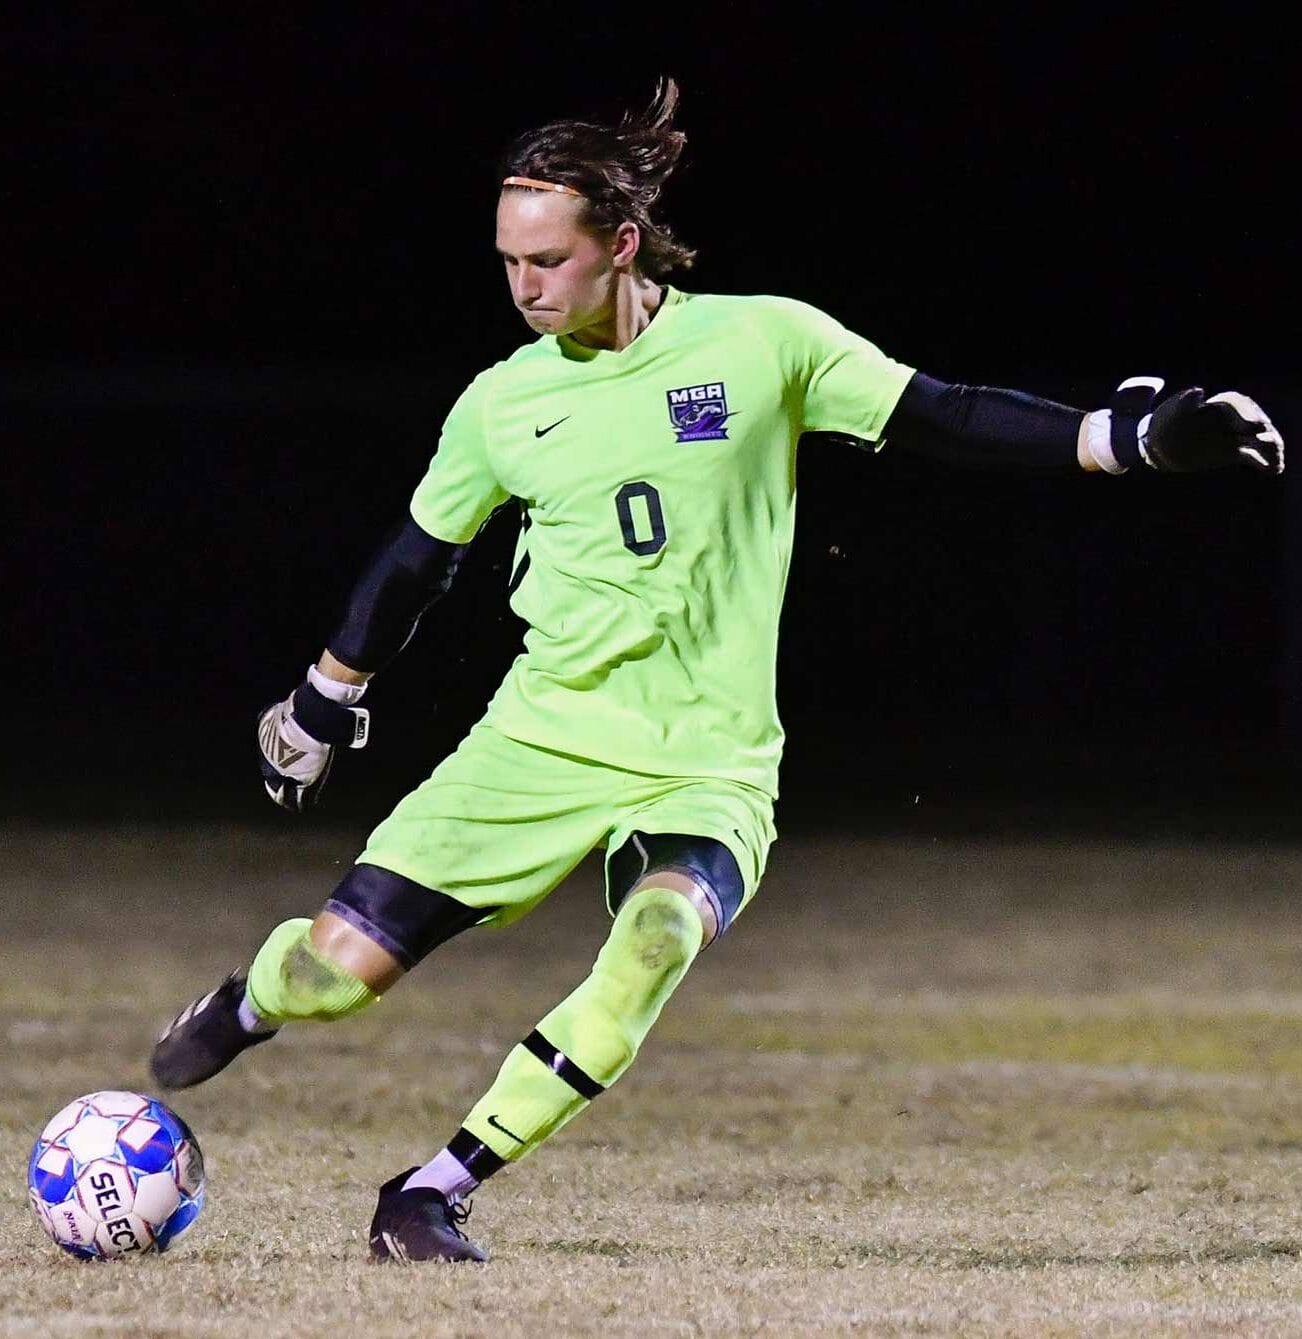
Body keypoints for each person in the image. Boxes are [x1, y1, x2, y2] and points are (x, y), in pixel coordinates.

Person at [149, 77, 1284, 1264]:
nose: (524, 286)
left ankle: (430, 1190)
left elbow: (938, 415)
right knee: (336, 977)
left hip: (710, 758)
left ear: (622, 244)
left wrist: (1124, 440)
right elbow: (416, 561)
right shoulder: (501, 402)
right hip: (537, 741)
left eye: (547, 259)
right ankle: (248, 1003)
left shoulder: (762, 341)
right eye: (506, 262)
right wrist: (328, 693)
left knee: (653, 943)